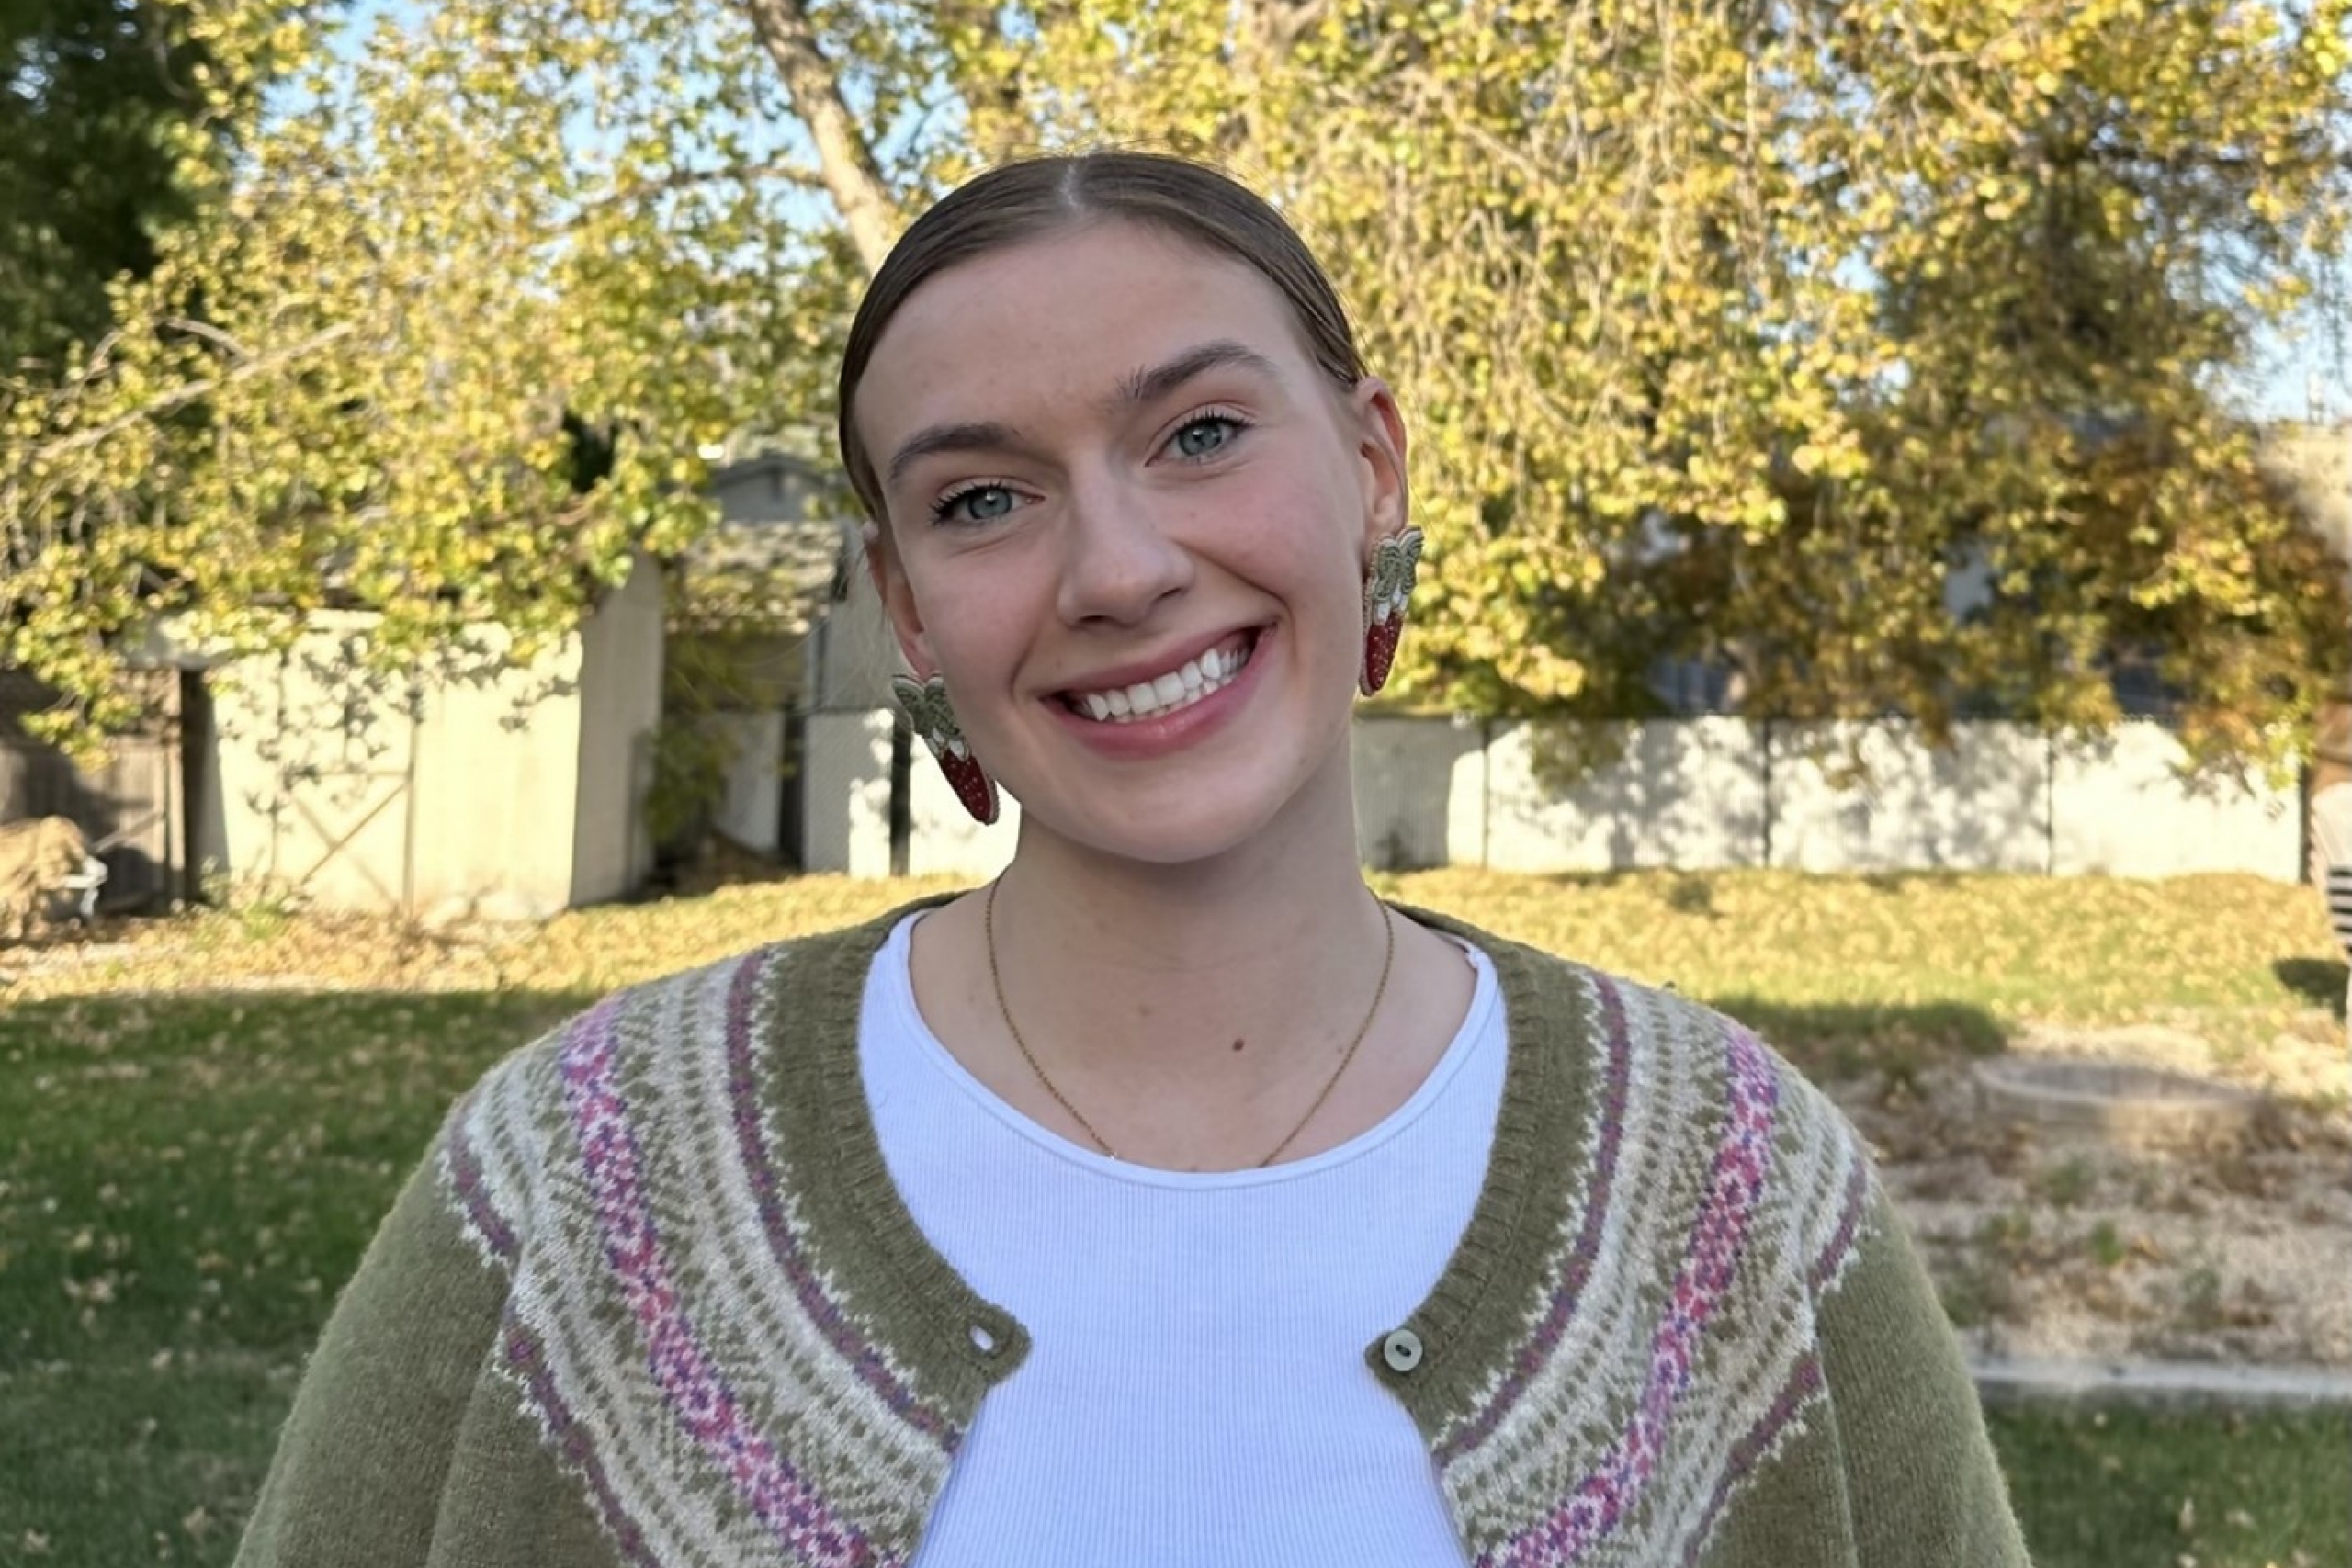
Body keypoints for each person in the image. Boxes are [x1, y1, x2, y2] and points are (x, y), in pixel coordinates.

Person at [233, 152, 2030, 1567]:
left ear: (1372, 468)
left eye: (1200, 434)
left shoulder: (1728, 1186)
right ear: (906, 609)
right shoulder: (582, 1179)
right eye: (982, 499)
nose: (1115, 569)